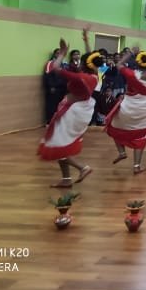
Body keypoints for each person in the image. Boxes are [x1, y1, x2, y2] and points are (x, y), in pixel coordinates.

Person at [38, 38, 95, 188]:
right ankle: (66, 179)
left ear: (84, 64)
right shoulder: (93, 75)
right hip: (77, 111)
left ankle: (82, 168)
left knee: (56, 144)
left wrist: (62, 53)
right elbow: (91, 57)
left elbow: (55, 67)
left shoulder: (81, 77)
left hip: (71, 113)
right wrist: (86, 39)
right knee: (60, 143)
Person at [104, 44, 146, 175]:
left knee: (114, 127)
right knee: (141, 135)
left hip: (129, 107)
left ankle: (122, 152)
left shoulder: (131, 73)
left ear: (137, 62)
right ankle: (136, 166)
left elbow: (119, 64)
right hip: (145, 108)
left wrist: (131, 53)